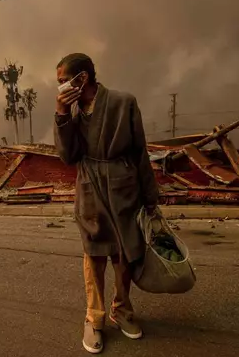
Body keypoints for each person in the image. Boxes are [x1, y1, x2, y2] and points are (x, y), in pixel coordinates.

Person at [53, 53, 159, 354]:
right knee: (94, 256)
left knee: (124, 255)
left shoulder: (124, 102)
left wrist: (150, 197)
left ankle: (122, 310)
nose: (60, 88)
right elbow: (67, 156)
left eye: (63, 81)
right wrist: (61, 113)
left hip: (124, 187)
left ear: (82, 78)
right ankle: (94, 319)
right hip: (90, 190)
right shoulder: (73, 115)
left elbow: (140, 151)